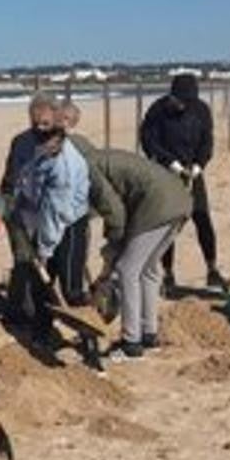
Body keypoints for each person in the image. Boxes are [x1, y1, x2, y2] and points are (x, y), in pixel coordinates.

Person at [71, 138, 192, 362]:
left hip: (157, 204)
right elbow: (116, 206)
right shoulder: (104, 159)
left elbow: (115, 214)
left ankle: (131, 343)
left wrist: (110, 261)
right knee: (148, 269)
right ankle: (149, 334)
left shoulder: (87, 166)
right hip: (180, 199)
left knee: (127, 270)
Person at [12, 121, 91, 350]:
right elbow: (30, 183)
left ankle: (89, 342)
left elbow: (55, 216)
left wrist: (44, 251)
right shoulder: (42, 152)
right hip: (48, 219)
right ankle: (41, 334)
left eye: (50, 140)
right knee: (40, 283)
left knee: (70, 287)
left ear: (60, 139)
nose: (44, 143)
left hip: (70, 224)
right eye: (41, 139)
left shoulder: (64, 169)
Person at [140, 74, 223, 290]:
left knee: (202, 218)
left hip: (192, 172)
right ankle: (168, 274)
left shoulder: (201, 110)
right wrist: (171, 163)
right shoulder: (157, 111)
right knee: (170, 224)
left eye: (188, 102)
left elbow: (207, 140)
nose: (183, 106)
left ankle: (212, 269)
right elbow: (149, 141)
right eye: (180, 101)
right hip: (167, 173)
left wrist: (199, 164)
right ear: (172, 96)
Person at [0, 93, 60, 324]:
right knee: (24, 258)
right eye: (35, 122)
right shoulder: (21, 142)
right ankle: (18, 312)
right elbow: (13, 179)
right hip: (20, 206)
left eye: (45, 123)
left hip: (49, 208)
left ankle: (43, 306)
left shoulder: (62, 143)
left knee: (47, 259)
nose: (40, 127)